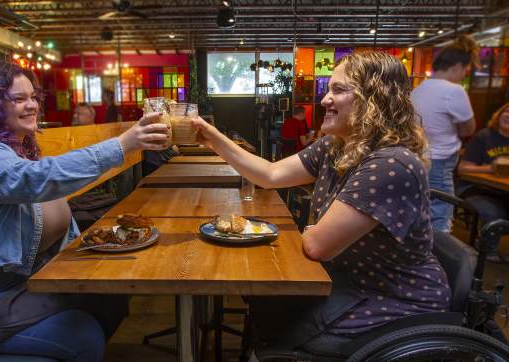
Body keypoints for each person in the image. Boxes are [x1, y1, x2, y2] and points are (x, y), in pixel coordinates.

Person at [191, 52, 450, 356]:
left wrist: (314, 230)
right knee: (265, 305)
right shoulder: (336, 146)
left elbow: (316, 246)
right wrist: (211, 138)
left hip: (393, 299)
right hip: (344, 279)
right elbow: (270, 174)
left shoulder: (391, 164)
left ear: (375, 99)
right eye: (329, 89)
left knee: (280, 325)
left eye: (339, 90)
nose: (325, 99)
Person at [0, 60, 169, 361]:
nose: (31, 106)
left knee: (110, 300)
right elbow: (39, 179)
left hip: (20, 279)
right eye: (18, 99)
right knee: (83, 336)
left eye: (33, 97)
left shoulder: (13, 149)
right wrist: (122, 145)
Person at [411, 35, 479, 233]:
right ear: (457, 66)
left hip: (419, 157)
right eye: (466, 69)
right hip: (439, 161)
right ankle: (437, 261)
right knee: (440, 215)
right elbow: (469, 129)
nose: (465, 74)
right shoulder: (454, 91)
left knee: (421, 210)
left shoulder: (419, 89)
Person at [457, 102, 509, 262]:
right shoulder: (484, 137)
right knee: (495, 213)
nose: (508, 115)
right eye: (506, 111)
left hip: (502, 191)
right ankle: (487, 247)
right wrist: (491, 169)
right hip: (475, 188)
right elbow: (463, 169)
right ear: (499, 114)